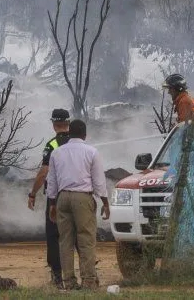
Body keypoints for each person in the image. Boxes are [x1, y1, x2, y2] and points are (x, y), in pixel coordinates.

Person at [46, 119, 110, 290]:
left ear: (69, 133)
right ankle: (89, 281)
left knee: (65, 241)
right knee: (86, 239)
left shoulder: (57, 153)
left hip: (63, 198)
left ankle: (69, 282)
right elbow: (98, 181)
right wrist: (105, 201)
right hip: (83, 198)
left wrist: (52, 203)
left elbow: (51, 181)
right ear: (85, 134)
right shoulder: (91, 152)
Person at [27, 108, 70, 288]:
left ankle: (57, 276)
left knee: (54, 235)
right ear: (68, 123)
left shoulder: (51, 145)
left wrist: (33, 193)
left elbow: (43, 172)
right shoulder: (80, 143)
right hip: (78, 194)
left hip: (56, 196)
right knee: (77, 235)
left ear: (53, 125)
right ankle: (86, 274)